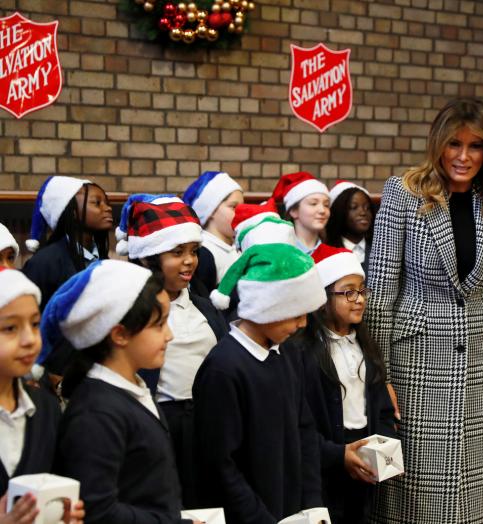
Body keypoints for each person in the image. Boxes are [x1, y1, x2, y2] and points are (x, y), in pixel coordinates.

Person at [365, 98, 483, 523]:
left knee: (474, 494)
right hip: (413, 364)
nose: (463, 156)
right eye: (454, 144)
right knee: (415, 493)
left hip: (479, 364)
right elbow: (381, 289)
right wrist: (378, 379)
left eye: (476, 147)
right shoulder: (404, 192)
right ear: (438, 143)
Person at [43, 260, 195, 523]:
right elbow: (98, 511)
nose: (169, 335)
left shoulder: (132, 387)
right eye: (159, 324)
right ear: (120, 334)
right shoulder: (96, 413)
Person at [194, 243, 326, 523]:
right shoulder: (224, 368)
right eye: (296, 313)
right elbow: (221, 464)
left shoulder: (288, 352)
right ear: (267, 307)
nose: (303, 324)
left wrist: (313, 505)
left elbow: (305, 431)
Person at [118, 194, 227, 507]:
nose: (189, 261)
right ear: (149, 257)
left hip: (206, 421)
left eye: (193, 251)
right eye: (177, 252)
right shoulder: (134, 314)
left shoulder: (206, 308)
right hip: (163, 421)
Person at [286, 244, 395, 524]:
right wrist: (337, 455)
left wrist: (383, 448)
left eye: (362, 290)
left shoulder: (365, 344)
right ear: (322, 299)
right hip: (325, 460)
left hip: (363, 456)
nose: (358, 299)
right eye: (348, 292)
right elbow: (299, 422)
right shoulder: (302, 351)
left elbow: (380, 405)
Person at [0, 268, 85, 524]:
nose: (29, 339)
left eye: (35, 324)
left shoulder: (44, 406)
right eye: (10, 328)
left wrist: (64, 512)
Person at [23, 176, 113, 309]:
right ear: (73, 211)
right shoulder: (45, 262)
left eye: (107, 203)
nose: (108, 208)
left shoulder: (104, 259)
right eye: (97, 203)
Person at [183, 171, 244, 291]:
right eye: (233, 206)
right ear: (210, 211)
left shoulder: (237, 247)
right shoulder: (204, 253)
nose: (242, 211)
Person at [272, 172, 330, 255]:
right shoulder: (281, 254)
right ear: (294, 211)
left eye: (326, 205)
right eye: (313, 203)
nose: (322, 210)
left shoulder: (335, 255)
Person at [325, 181, 375, 273]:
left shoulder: (379, 249)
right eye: (354, 207)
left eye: (367, 208)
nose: (363, 212)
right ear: (339, 212)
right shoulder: (327, 253)